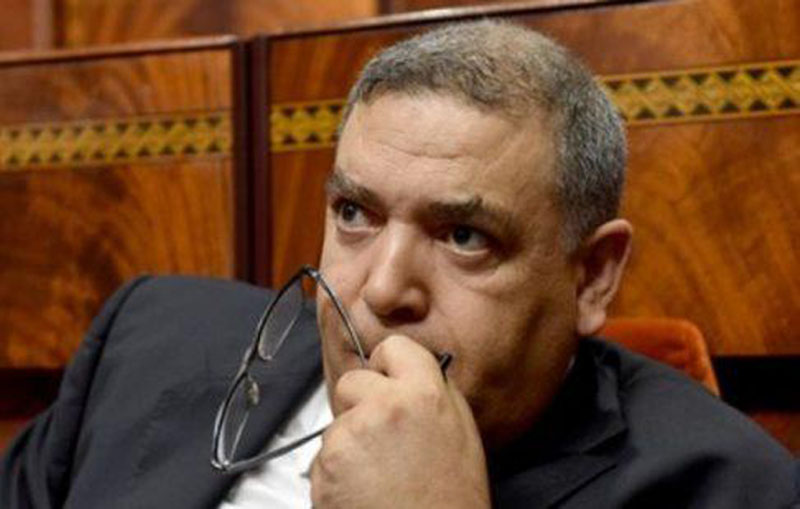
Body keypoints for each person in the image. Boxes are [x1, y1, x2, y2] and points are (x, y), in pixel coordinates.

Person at [2, 20, 797, 509]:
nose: (382, 290)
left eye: (464, 236)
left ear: (591, 275)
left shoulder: (729, 487)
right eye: (355, 213)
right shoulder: (144, 338)